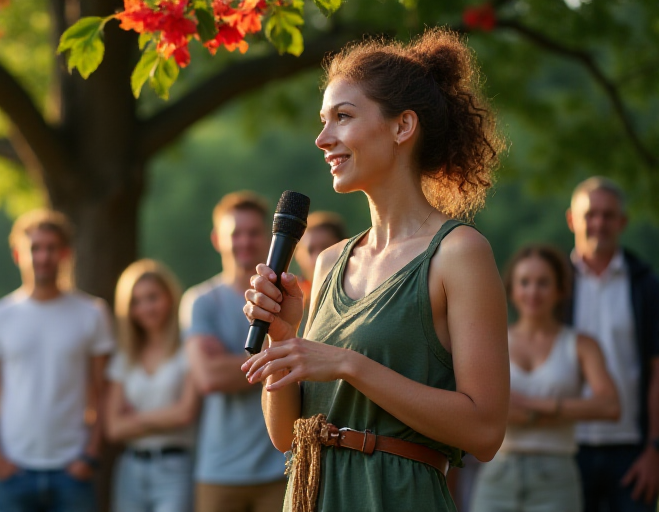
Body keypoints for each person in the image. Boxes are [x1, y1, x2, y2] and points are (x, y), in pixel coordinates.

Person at [241, 28, 510, 512]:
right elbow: (285, 435)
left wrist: (349, 364)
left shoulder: (458, 253)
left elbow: (485, 431)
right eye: (323, 121)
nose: (323, 139)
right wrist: (284, 340)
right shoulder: (327, 262)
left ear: (402, 127)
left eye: (342, 118)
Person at [0, 209, 113, 512]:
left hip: (72, 469)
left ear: (65, 254)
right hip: (15, 470)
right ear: (17, 254)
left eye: (51, 248)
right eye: (35, 248)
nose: (43, 256)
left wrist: (90, 454)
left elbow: (105, 390)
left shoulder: (92, 313)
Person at [470, 244, 620, 512]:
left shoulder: (581, 345)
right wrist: (559, 411)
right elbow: (471, 406)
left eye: (543, 283)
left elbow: (610, 405)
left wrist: (532, 405)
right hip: (497, 473)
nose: (532, 292)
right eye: (524, 282)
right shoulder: (491, 342)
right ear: (512, 289)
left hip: (557, 476)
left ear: (561, 289)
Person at [180, 191, 287, 512]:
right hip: (219, 471)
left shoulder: (291, 300)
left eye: (253, 232)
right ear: (217, 239)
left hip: (280, 466)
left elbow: (307, 365)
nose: (244, 241)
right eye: (235, 233)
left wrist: (230, 361)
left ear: (267, 238)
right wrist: (280, 357)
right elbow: (208, 378)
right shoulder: (200, 301)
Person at [564, 176, 659, 512]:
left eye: (608, 215)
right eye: (591, 214)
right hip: (566, 447)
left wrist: (655, 450)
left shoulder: (646, 285)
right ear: (572, 219)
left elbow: (657, 371)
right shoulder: (552, 285)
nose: (599, 223)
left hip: (632, 450)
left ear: (623, 222)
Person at [105, 259, 199, 512]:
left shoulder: (188, 348)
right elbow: (113, 427)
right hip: (130, 468)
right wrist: (163, 417)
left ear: (169, 297)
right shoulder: (125, 355)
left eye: (152, 297)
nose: (145, 308)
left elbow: (185, 413)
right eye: (136, 301)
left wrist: (134, 420)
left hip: (175, 467)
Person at [293, 211, 348, 294]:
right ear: (298, 257)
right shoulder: (289, 298)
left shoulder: (359, 291)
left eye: (326, 248)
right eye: (310, 250)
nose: (318, 258)